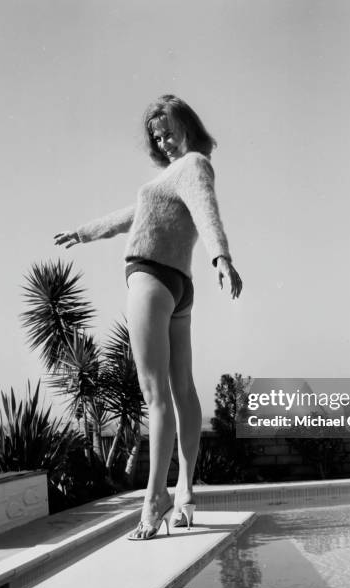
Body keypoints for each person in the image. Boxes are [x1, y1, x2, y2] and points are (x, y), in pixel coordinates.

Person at [54, 94, 242, 540]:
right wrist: (83, 232)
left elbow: (206, 210)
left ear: (188, 126)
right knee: (182, 391)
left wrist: (221, 257)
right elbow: (130, 216)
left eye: (168, 131)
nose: (163, 141)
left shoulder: (193, 166)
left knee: (155, 394)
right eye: (157, 136)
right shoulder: (175, 176)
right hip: (179, 288)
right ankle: (185, 492)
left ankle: (154, 497)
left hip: (151, 278)